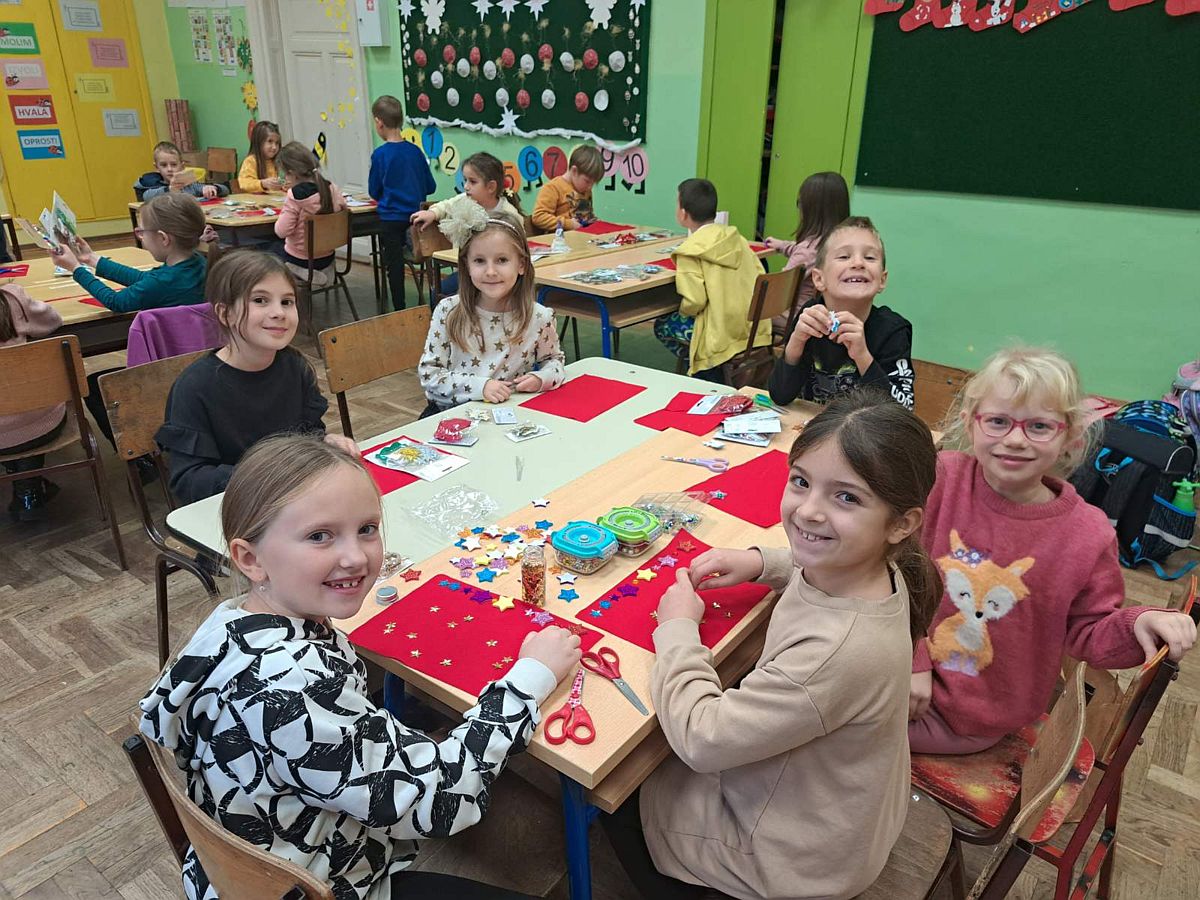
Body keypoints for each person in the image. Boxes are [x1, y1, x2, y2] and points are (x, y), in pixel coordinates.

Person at [140, 434, 580, 899]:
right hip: (320, 883)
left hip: (251, 862)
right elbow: (443, 800)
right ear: (250, 559)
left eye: (367, 528)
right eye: (319, 536)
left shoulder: (230, 621)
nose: (356, 557)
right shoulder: (294, 691)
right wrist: (529, 679)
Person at [602, 391, 941, 900]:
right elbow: (819, 566)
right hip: (842, 816)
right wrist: (763, 562)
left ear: (901, 524)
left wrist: (677, 630)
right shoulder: (888, 568)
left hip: (791, 862)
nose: (808, 511)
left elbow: (702, 739)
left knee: (615, 789)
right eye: (801, 481)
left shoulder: (837, 652)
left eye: (846, 498)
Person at [909, 346, 1197, 754]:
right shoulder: (942, 477)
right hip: (891, 668)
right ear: (970, 423)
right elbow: (887, 570)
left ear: (1070, 437)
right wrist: (914, 660)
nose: (1014, 440)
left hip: (967, 720)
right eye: (998, 421)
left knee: (833, 735)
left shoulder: (1087, 535)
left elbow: (1089, 631)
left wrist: (1139, 623)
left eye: (1039, 426)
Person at [156, 250, 356, 505]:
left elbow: (308, 433)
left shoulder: (295, 367)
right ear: (225, 313)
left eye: (287, 302)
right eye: (260, 300)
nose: (279, 312)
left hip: (293, 500)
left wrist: (325, 443)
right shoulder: (195, 387)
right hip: (235, 510)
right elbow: (188, 480)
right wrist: (265, 477)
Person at [417, 212, 564, 417]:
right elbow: (429, 374)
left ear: (521, 264)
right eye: (479, 260)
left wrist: (542, 379)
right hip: (451, 415)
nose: (491, 271)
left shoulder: (539, 317)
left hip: (510, 415)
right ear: (466, 265)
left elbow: (554, 360)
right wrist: (481, 387)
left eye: (502, 260)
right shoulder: (448, 311)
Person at [768, 215, 914, 410]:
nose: (858, 263)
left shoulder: (893, 330)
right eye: (844, 256)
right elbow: (780, 395)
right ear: (819, 279)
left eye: (870, 257)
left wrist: (862, 355)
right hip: (814, 424)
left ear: (882, 280)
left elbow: (902, 411)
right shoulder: (810, 316)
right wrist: (796, 342)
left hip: (865, 428)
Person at [652, 178, 769, 382]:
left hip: (719, 335)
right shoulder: (737, 239)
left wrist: (682, 311)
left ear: (683, 213)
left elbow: (694, 301)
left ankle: (705, 372)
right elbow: (760, 276)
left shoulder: (689, 251)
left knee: (662, 325)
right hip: (753, 327)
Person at [49, 192, 207, 314]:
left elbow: (116, 302)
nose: (141, 237)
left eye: (142, 232)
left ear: (163, 238)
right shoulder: (199, 262)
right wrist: (91, 258)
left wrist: (76, 269)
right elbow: (144, 279)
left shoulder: (162, 281)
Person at [410, 152, 523, 296]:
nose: (466, 186)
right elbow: (445, 205)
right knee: (437, 293)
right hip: (467, 272)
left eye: (473, 182)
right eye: (465, 180)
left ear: (491, 187)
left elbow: (519, 247)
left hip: (498, 275)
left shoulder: (509, 214)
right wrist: (432, 213)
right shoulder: (465, 200)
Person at [0, 284, 65, 521]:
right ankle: (28, 488)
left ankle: (26, 486)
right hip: (39, 425)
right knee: (31, 406)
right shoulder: (12, 299)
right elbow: (53, 320)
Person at [762, 171, 850, 338]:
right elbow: (804, 253)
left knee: (740, 310)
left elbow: (776, 293)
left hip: (795, 316)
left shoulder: (806, 250)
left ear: (809, 209)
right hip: (826, 313)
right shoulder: (838, 242)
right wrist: (783, 246)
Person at [368, 95, 436, 309]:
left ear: (379, 122)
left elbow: (373, 191)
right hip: (418, 220)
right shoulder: (415, 152)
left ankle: (399, 308)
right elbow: (431, 186)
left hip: (391, 220)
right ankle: (431, 302)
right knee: (423, 261)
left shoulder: (380, 155)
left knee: (394, 266)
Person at [274, 141, 347, 286]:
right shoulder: (331, 187)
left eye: (285, 174)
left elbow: (281, 231)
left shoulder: (294, 196)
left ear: (292, 174)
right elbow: (343, 208)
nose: (285, 178)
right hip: (328, 256)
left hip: (300, 259)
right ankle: (324, 271)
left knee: (269, 250)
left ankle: (300, 271)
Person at [530, 145, 602, 233]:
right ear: (574, 171)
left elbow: (586, 216)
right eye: (587, 181)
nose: (590, 187)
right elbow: (538, 217)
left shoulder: (585, 190)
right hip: (559, 239)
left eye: (593, 183)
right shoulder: (553, 188)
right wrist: (568, 224)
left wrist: (592, 221)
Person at [134, 141, 230, 201]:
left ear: (182, 166)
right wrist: (170, 189)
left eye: (174, 164)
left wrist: (212, 188)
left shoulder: (188, 184)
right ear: (157, 167)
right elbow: (146, 197)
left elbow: (225, 190)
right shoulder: (152, 184)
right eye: (163, 165)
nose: (169, 169)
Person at [238, 120, 284, 194]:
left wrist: (284, 185)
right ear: (259, 142)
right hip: (254, 200)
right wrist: (262, 183)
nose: (274, 147)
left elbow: (282, 181)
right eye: (270, 141)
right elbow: (244, 183)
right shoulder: (251, 161)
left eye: (277, 143)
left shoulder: (277, 161)